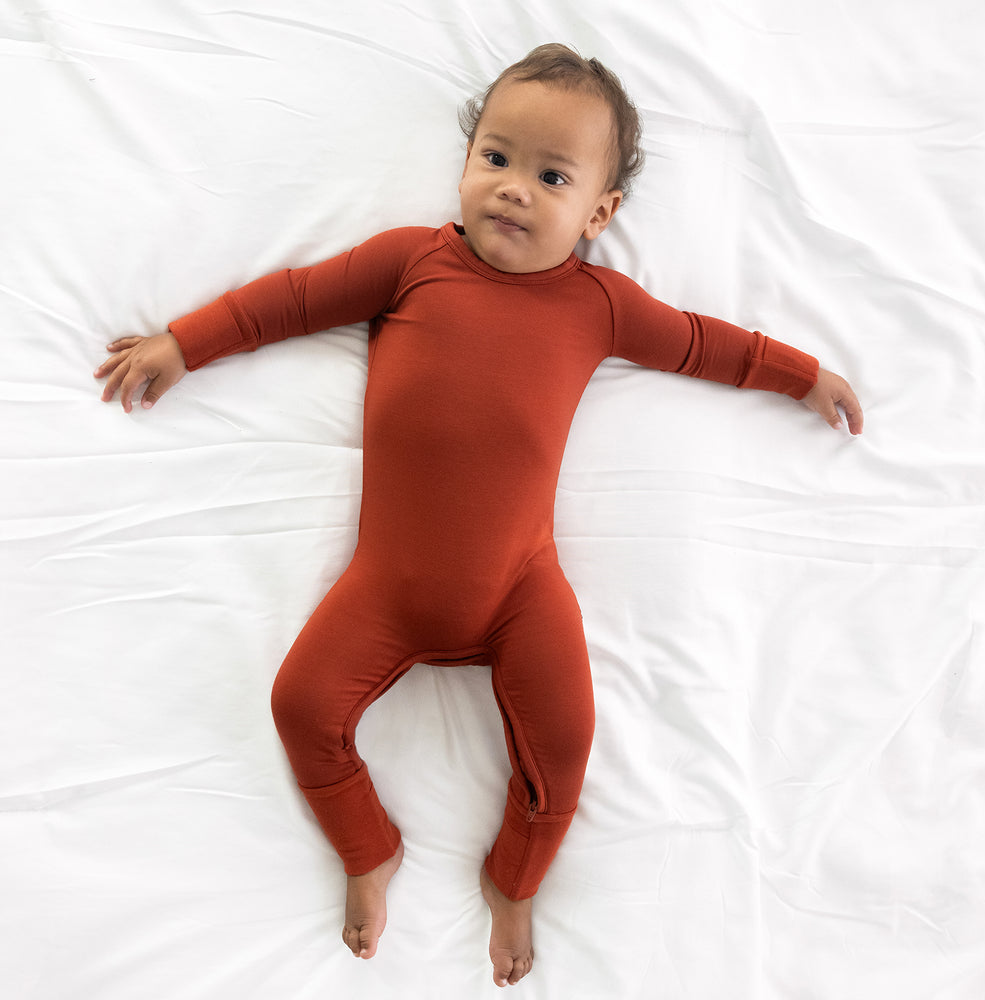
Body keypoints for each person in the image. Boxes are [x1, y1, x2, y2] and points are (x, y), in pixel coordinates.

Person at [94, 43, 863, 988]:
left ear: (599, 213)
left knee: (569, 742)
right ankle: (366, 848)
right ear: (465, 164)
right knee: (299, 706)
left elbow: (705, 344)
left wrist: (803, 376)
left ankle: (516, 880)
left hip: (518, 589)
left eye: (551, 176)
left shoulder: (602, 305)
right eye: (495, 158)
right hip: (386, 585)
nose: (512, 189)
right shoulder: (410, 261)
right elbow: (289, 302)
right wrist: (185, 342)